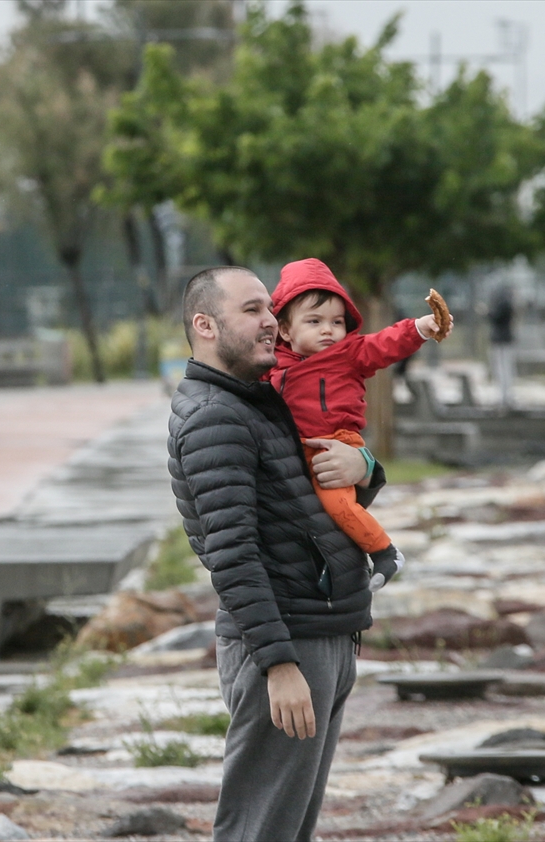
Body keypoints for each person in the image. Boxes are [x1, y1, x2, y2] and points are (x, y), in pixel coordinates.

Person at [168, 266, 387, 842]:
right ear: (205, 325)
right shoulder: (216, 417)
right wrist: (279, 664)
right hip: (287, 645)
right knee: (258, 830)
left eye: (270, 307)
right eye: (252, 310)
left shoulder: (265, 398)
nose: (272, 321)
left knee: (287, 830)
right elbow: (232, 555)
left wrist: (366, 468)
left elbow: (319, 495)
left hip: (322, 634)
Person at [266, 258, 450, 590]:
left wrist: (419, 328)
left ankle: (384, 551)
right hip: (300, 450)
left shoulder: (348, 353)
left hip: (339, 441)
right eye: (314, 321)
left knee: (336, 503)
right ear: (284, 329)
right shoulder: (272, 367)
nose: (328, 329)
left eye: (337, 321)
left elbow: (384, 344)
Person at [488, 285, 515, 407]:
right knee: (502, 369)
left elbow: (495, 318)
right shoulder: (508, 305)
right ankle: (504, 395)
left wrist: (486, 313)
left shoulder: (504, 306)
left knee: (503, 369)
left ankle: (505, 396)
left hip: (501, 341)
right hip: (503, 340)